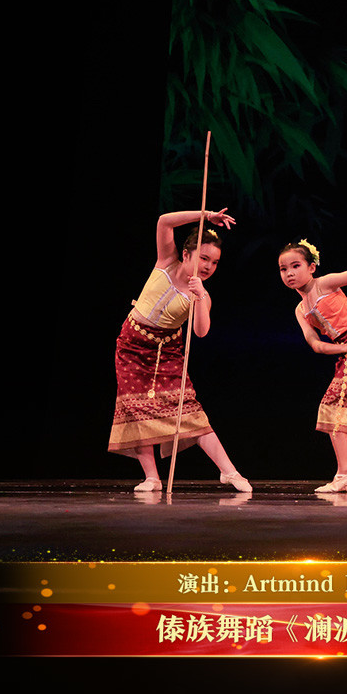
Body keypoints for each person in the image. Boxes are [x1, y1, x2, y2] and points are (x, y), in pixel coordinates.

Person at [108, 209, 251, 493]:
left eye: (214, 262)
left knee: (189, 410)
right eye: (204, 258)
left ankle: (229, 471)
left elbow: (201, 331)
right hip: (132, 347)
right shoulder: (166, 261)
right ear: (186, 255)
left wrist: (199, 296)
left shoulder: (201, 294)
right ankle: (152, 478)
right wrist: (205, 215)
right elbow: (164, 221)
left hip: (167, 352)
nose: (208, 266)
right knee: (136, 408)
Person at [280, 240, 347, 493]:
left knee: (331, 408)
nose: (289, 273)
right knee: (343, 412)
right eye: (284, 269)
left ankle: (345, 473)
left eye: (296, 266)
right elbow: (315, 344)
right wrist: (342, 349)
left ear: (311, 267)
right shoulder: (300, 309)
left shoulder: (324, 284)